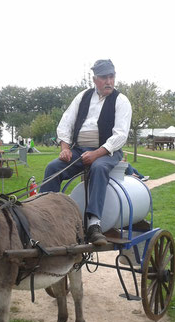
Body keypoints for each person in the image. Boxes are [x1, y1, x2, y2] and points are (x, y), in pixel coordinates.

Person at [40, 59, 132, 245]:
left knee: (98, 168)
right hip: (79, 150)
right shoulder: (82, 97)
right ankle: (43, 216)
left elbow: (120, 135)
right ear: (94, 79)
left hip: (107, 152)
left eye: (111, 76)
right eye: (104, 77)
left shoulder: (121, 101)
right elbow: (66, 122)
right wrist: (65, 148)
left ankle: (94, 224)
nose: (109, 81)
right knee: (53, 168)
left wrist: (97, 153)